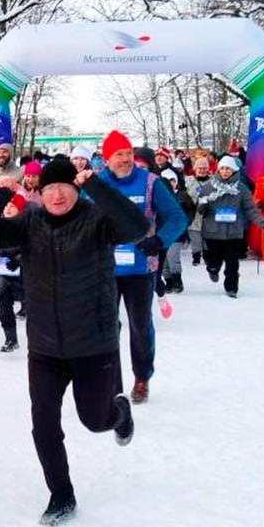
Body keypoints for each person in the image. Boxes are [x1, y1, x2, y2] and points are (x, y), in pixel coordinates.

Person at [0, 157, 147, 526]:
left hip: (93, 343)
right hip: (45, 346)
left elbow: (137, 227)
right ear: (39, 191)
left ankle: (119, 414)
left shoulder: (96, 220)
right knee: (44, 423)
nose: (56, 194)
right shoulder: (30, 222)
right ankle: (61, 494)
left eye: (64, 187)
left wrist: (98, 186)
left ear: (76, 188)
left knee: (94, 420)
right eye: (49, 187)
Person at [95, 131, 188, 405]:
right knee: (106, 326)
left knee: (139, 325)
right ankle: (111, 380)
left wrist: (159, 240)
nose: (124, 160)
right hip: (106, 269)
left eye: (127, 154)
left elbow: (176, 218)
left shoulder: (151, 183)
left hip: (141, 269)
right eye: (118, 155)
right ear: (107, 158)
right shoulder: (97, 184)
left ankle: (142, 376)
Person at [194, 156, 264, 298]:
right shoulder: (209, 187)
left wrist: (262, 223)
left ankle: (231, 288)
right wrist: (202, 207)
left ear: (234, 170)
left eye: (228, 168)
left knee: (232, 264)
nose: (225, 171)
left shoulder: (241, 189)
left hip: (233, 233)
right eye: (222, 168)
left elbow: (250, 209)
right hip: (212, 232)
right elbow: (200, 206)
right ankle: (213, 269)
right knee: (213, 261)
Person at [0, 192, 28, 352]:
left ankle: (39, 339)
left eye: (12, 206)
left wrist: (19, 258)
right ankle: (10, 338)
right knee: (2, 301)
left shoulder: (28, 226)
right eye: (6, 206)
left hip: (25, 271)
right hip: (4, 270)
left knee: (34, 305)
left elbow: (35, 247)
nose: (7, 209)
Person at [160, 167, 194, 294]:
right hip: (161, 232)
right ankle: (167, 280)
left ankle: (177, 279)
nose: (170, 183)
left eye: (172, 180)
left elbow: (191, 209)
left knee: (172, 256)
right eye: (166, 181)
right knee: (163, 259)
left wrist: (187, 221)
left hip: (177, 233)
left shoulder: (182, 195)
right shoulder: (156, 195)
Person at [187, 155, 211, 266]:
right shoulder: (189, 181)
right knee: (195, 237)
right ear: (195, 169)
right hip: (194, 214)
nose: (202, 171)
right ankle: (196, 256)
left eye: (204, 168)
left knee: (207, 236)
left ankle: (207, 256)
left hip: (208, 214)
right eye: (199, 168)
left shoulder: (213, 181)